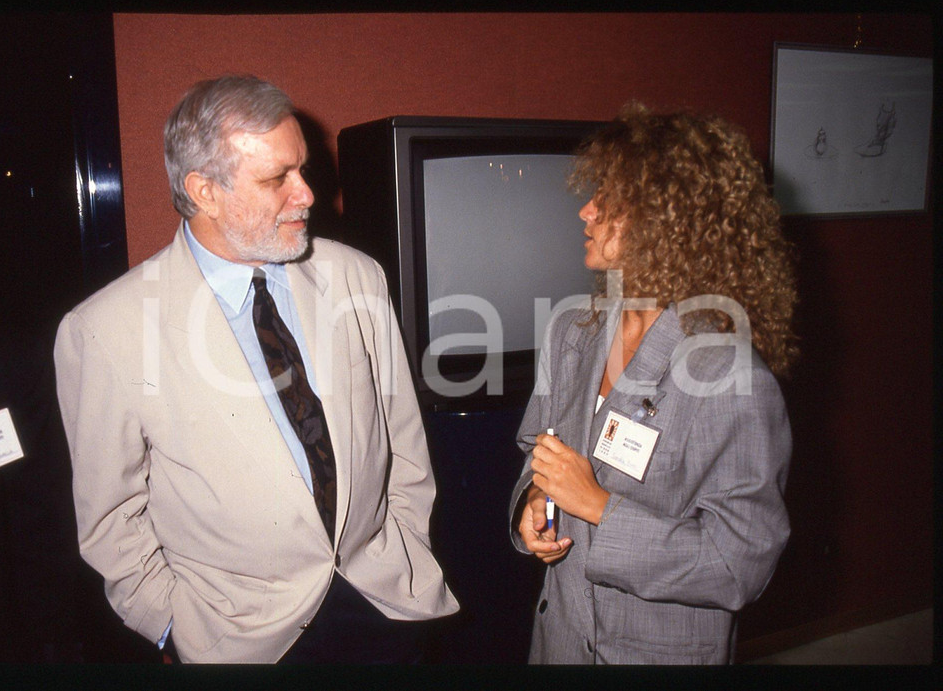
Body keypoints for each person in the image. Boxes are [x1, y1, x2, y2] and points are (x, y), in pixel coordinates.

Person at [54, 75, 458, 664]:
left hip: (384, 601)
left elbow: (403, 438)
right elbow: (110, 518)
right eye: (277, 179)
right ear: (205, 192)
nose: (307, 194)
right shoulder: (105, 330)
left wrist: (409, 539)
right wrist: (171, 624)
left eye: (303, 169)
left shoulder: (357, 277)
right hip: (237, 637)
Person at [509, 103, 798, 664]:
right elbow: (536, 447)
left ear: (667, 223)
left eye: (609, 199)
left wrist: (598, 507)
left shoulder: (730, 377)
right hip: (559, 641)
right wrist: (537, 498)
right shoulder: (572, 329)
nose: (586, 210)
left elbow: (740, 565)